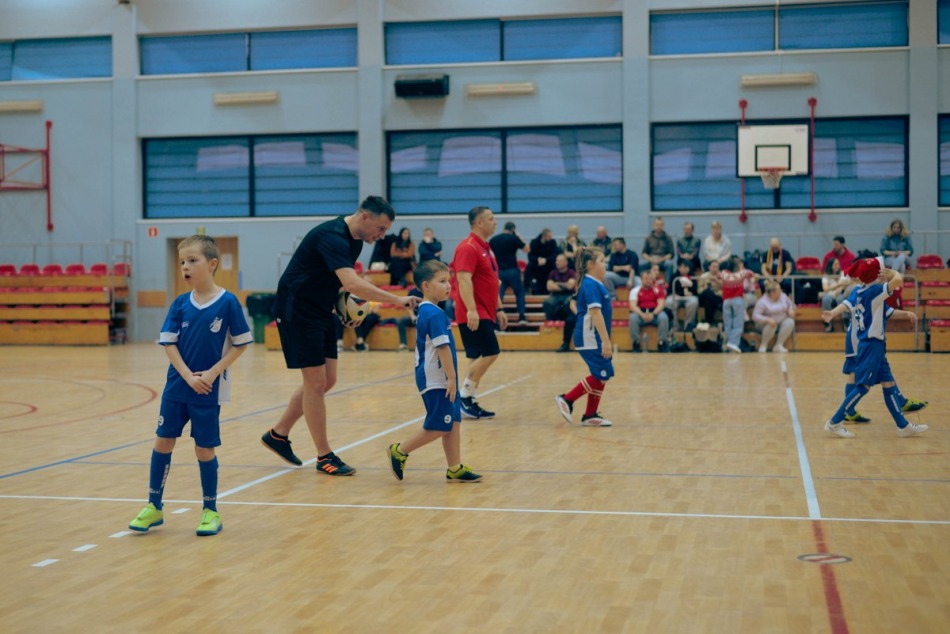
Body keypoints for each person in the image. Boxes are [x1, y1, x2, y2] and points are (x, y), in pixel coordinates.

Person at [261, 196, 419, 475]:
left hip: (321, 310)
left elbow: (337, 283)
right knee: (315, 382)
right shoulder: (332, 236)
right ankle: (324, 457)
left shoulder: (355, 241)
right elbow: (353, 282)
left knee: (328, 380)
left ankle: (278, 434)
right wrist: (397, 300)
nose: (382, 236)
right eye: (381, 229)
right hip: (297, 310)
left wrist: (346, 308)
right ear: (364, 216)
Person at [128, 235, 253, 536]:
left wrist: (211, 374)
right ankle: (153, 506)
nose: (185, 266)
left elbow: (241, 344)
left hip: (208, 390)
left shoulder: (228, 302)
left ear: (212, 264)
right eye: (182, 261)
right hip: (177, 387)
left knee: (204, 449)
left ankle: (210, 510)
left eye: (192, 260)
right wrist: (187, 376)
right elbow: (169, 344)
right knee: (163, 441)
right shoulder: (180, 303)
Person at [387, 259, 482, 482]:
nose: (448, 285)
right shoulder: (434, 314)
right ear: (426, 286)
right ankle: (400, 450)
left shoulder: (430, 310)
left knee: (454, 421)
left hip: (441, 376)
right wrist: (452, 378)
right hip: (436, 378)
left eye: (448, 281)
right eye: (442, 281)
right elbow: (442, 347)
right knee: (441, 424)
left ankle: (455, 467)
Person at [821, 258, 928, 438]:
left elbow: (856, 306)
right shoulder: (875, 291)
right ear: (877, 274)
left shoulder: (860, 291)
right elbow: (898, 280)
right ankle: (834, 422)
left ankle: (903, 426)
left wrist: (832, 313)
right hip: (871, 345)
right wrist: (893, 273)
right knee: (863, 386)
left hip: (875, 344)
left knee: (888, 383)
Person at [451, 206, 508, 419]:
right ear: (479, 223)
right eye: (491, 219)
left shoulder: (486, 248)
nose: (495, 222)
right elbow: (463, 279)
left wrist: (499, 308)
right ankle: (464, 398)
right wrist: (472, 310)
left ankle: (468, 400)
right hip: (474, 311)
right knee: (491, 352)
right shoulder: (468, 247)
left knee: (476, 356)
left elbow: (492, 281)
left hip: (486, 310)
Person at [555, 247, 614, 427]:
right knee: (601, 374)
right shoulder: (590, 284)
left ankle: (590, 415)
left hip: (594, 337)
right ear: (590, 264)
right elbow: (595, 314)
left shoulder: (595, 283)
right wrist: (606, 341)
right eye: (602, 261)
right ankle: (567, 399)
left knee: (602, 375)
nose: (605, 265)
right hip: (590, 338)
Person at [489, 221, 529, 324]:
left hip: (498, 271)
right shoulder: (514, 238)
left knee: (498, 295)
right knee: (519, 293)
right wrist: (519, 238)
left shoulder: (493, 240)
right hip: (512, 270)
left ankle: (496, 321)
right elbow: (527, 249)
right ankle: (521, 317)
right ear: (513, 229)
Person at [720, 257, 757, 353]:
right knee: (738, 323)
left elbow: (717, 277)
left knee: (728, 323)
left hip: (726, 301)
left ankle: (729, 342)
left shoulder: (723, 273)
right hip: (737, 300)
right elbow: (752, 274)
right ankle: (733, 343)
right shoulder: (742, 273)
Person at [628, 268, 669, 352]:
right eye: (646, 279)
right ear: (641, 280)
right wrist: (642, 314)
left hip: (655, 313)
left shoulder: (658, 289)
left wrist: (653, 314)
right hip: (641, 313)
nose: (648, 281)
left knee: (663, 317)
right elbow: (632, 306)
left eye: (650, 279)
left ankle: (662, 342)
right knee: (632, 317)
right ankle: (636, 342)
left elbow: (661, 304)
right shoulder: (635, 291)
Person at [753, 281, 795, 353]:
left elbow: (791, 304)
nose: (781, 291)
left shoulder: (783, 296)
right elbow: (755, 316)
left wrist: (790, 309)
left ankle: (779, 345)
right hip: (765, 324)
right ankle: (763, 344)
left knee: (790, 322)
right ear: (772, 293)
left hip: (781, 320)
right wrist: (767, 319)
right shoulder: (762, 301)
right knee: (771, 325)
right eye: (779, 290)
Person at [820, 258, 854, 332]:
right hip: (829, 294)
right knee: (826, 299)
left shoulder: (843, 273)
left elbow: (848, 283)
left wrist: (839, 289)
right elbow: (825, 288)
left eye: (838, 264)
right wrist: (839, 284)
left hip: (841, 294)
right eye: (835, 264)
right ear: (830, 265)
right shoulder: (826, 276)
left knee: (841, 299)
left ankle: (846, 321)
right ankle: (828, 322)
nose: (837, 266)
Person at [641, 217, 676, 285]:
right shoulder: (648, 238)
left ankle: (667, 285)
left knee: (670, 264)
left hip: (663, 261)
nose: (659, 227)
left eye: (661, 225)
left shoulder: (668, 238)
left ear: (663, 226)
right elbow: (644, 253)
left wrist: (662, 259)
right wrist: (650, 259)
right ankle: (642, 285)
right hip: (651, 260)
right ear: (653, 225)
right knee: (640, 265)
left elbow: (671, 254)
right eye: (657, 225)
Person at [543, 253, 577, 321]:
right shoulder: (553, 273)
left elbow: (570, 286)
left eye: (559, 261)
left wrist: (557, 284)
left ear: (566, 262)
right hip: (555, 296)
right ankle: (551, 322)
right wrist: (565, 286)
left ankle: (568, 323)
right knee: (547, 302)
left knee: (570, 302)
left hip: (568, 295)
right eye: (556, 261)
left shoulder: (571, 272)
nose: (557, 263)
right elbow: (549, 287)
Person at [525, 228, 560, 294]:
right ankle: (526, 288)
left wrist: (546, 260)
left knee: (555, 266)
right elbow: (530, 256)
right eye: (549, 236)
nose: (551, 238)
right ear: (544, 236)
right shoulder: (534, 242)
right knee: (529, 266)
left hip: (548, 263)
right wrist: (537, 259)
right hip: (537, 263)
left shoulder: (552, 242)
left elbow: (554, 255)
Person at [670, 259, 699, 333]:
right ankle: (675, 326)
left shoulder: (692, 276)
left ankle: (688, 326)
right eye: (683, 267)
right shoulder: (674, 276)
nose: (685, 269)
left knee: (694, 302)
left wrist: (691, 293)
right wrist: (682, 293)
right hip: (677, 296)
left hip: (689, 296)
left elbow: (695, 290)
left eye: (686, 267)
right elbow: (671, 289)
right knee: (668, 302)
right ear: (678, 268)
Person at [697, 260, 723, 325]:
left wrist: (718, 282)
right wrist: (705, 288)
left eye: (717, 267)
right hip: (705, 295)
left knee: (709, 302)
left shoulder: (722, 276)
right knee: (708, 292)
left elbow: (724, 289)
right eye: (713, 267)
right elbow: (699, 290)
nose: (715, 269)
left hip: (717, 296)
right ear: (709, 267)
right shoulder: (704, 276)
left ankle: (708, 323)